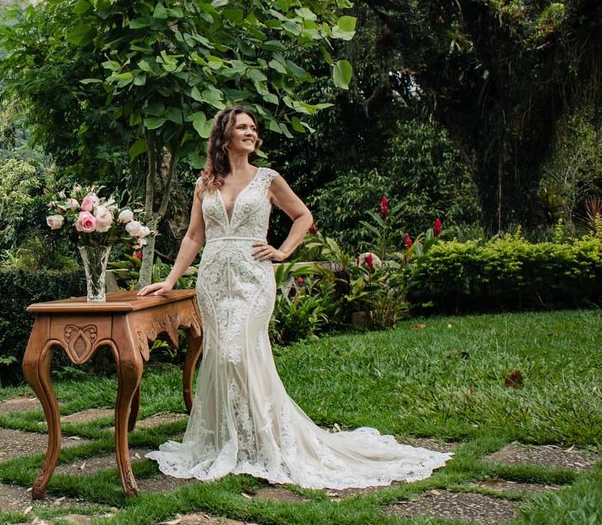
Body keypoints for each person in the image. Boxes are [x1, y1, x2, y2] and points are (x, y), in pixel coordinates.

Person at [137, 106, 450, 489]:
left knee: (241, 350)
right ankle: (230, 438)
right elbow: (193, 236)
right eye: (242, 128)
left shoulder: (268, 179)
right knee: (221, 356)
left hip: (254, 278)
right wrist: (169, 281)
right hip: (215, 280)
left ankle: (267, 439)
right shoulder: (207, 183)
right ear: (224, 135)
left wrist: (283, 251)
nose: (251, 133)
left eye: (254, 128)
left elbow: (302, 215)